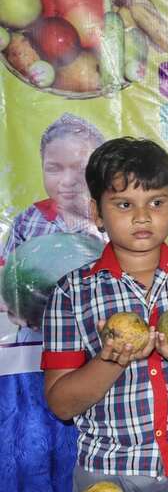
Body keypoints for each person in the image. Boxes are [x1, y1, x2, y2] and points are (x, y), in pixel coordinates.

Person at [42, 138, 168, 492]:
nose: (142, 216)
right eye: (123, 204)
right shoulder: (73, 292)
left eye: (156, 202)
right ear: (96, 212)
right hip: (109, 473)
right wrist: (110, 361)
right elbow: (61, 403)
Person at [0, 114, 106, 340]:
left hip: (98, 338)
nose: (67, 180)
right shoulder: (28, 220)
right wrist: (13, 303)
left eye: (80, 168)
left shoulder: (114, 219)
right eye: (54, 169)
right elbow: (5, 278)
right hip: (36, 341)